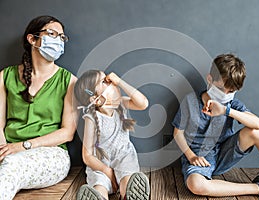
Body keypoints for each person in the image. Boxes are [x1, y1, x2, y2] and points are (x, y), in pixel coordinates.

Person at [172, 53, 259, 199]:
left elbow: (258, 124)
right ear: (210, 79)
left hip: (224, 153)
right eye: (220, 89)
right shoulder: (190, 101)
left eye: (231, 91)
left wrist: (226, 110)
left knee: (256, 132)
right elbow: (178, 133)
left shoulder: (232, 104)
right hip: (199, 157)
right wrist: (191, 156)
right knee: (196, 185)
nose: (225, 94)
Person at [0, 15, 77, 199]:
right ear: (32, 39)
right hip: (8, 149)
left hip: (51, 154)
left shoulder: (70, 81)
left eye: (62, 37)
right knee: (8, 163)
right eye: (52, 34)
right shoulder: (5, 76)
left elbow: (67, 133)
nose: (58, 41)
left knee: (11, 167)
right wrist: (4, 149)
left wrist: (23, 146)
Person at [74, 70, 150, 200]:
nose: (111, 82)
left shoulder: (121, 104)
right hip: (101, 163)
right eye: (104, 81)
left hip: (124, 157)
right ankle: (99, 197)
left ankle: (130, 195)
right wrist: (107, 171)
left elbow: (143, 103)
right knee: (100, 185)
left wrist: (120, 82)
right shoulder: (91, 117)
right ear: (95, 98)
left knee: (128, 181)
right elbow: (87, 156)